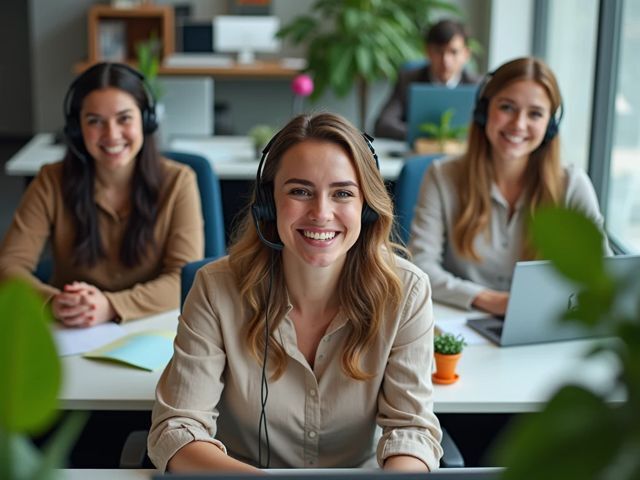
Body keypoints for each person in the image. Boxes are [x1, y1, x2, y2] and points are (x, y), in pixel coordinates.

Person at [148, 113, 443, 472]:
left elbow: (412, 432)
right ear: (269, 203)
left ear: (365, 206)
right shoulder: (216, 288)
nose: (321, 213)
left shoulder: (405, 292)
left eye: (343, 193)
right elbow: (177, 431)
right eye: (300, 191)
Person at [0, 62, 204, 325]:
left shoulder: (178, 181)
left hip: (151, 329)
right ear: (77, 129)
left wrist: (111, 305)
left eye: (124, 118)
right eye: (95, 121)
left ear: (145, 120)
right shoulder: (51, 181)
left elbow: (185, 277)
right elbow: (9, 266)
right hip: (72, 327)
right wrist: (54, 302)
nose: (112, 134)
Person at [408, 57, 609, 316]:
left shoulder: (572, 185)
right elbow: (421, 267)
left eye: (535, 114)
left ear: (550, 125)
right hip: (459, 322)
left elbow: (602, 272)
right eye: (507, 107)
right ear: (484, 110)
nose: (518, 124)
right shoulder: (442, 176)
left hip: (541, 323)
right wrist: (490, 300)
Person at [374, 19, 479, 141]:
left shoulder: (477, 86)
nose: (446, 60)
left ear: (466, 54)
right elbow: (384, 124)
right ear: (427, 51)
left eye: (453, 52)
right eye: (439, 52)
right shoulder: (408, 80)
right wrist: (426, 137)